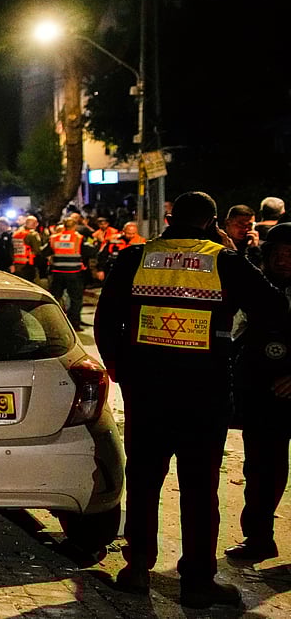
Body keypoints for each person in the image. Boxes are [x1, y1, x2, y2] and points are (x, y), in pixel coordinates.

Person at [95, 191, 288, 608]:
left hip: (147, 393)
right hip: (204, 394)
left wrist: (122, 372)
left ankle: (136, 569)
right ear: (211, 222)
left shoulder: (136, 258)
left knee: (145, 483)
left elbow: (106, 320)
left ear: (169, 217)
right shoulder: (223, 261)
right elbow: (274, 306)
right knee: (200, 489)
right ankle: (198, 581)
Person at [226, 223, 291, 563]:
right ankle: (259, 537)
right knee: (262, 470)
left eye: (290, 255)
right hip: (261, 398)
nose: (283, 261)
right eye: (277, 254)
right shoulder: (255, 287)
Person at [10, 216, 44, 282]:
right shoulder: (32, 234)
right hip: (28, 265)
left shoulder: (16, 234)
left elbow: (11, 250)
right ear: (35, 224)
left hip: (17, 265)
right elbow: (37, 250)